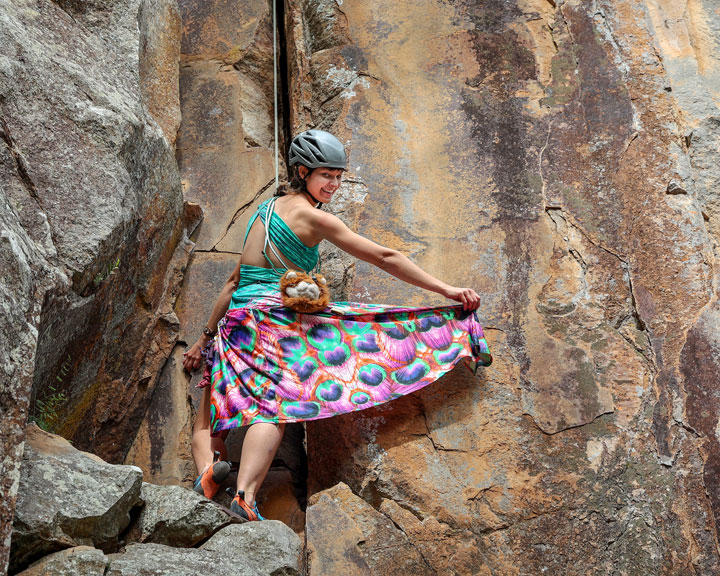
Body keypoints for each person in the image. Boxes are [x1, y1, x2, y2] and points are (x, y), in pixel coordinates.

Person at [182, 129, 492, 521]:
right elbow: (384, 256)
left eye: (339, 176)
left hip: (236, 324)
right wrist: (446, 289)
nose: (334, 184)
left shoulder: (263, 213)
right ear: (301, 171)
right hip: (273, 324)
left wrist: (203, 339)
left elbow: (232, 283)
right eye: (326, 175)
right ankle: (243, 496)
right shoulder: (312, 217)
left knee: (211, 414)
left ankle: (208, 473)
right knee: (270, 410)